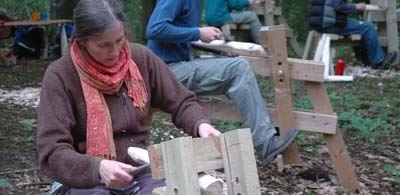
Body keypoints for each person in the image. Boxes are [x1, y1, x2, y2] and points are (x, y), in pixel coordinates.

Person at [36, 0, 221, 194]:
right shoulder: (60, 75)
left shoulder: (140, 58)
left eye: (119, 40)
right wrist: (98, 168)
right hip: (84, 179)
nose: (115, 52)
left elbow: (181, 102)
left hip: (139, 171)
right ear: (82, 41)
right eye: (104, 45)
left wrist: (201, 125)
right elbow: (52, 151)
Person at [146, 0, 298, 167]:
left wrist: (219, 50)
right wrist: (198, 32)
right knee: (238, 68)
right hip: (164, 73)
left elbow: (180, 39)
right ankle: (265, 142)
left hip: (172, 70)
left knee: (234, 68)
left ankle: (264, 133)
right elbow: (155, 29)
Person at [309, 0, 398, 69]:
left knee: (359, 25)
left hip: (320, 24)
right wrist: (357, 6)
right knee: (367, 27)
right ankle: (378, 62)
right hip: (332, 24)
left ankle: (366, 59)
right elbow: (338, 6)